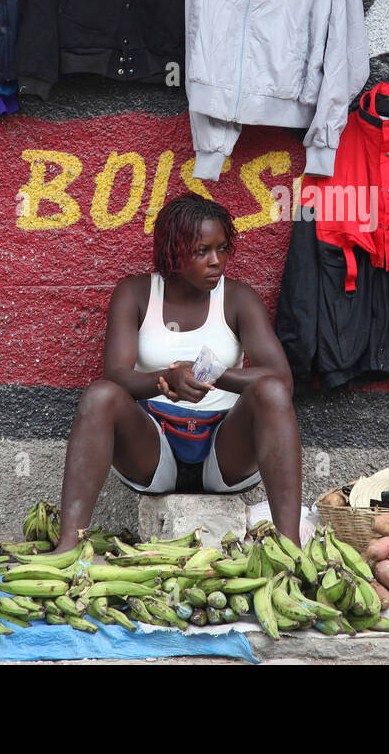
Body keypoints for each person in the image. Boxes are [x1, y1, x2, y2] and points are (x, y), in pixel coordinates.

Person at [55, 194, 303, 546]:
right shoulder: (137, 294)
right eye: (202, 251)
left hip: (225, 449)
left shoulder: (238, 299)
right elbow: (117, 375)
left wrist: (216, 377)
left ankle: (289, 547)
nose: (216, 261)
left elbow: (282, 379)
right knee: (100, 395)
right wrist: (165, 381)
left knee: (272, 392)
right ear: (173, 252)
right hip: (154, 446)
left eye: (222, 248)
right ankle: (68, 545)